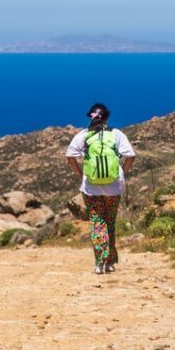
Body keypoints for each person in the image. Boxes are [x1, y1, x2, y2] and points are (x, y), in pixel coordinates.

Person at [65, 103, 135, 274]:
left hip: (91, 188)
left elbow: (70, 156)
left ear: (91, 117)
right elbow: (131, 156)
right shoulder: (116, 134)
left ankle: (99, 263)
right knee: (110, 222)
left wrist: (81, 175)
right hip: (114, 187)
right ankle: (110, 262)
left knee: (97, 223)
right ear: (107, 118)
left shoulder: (84, 135)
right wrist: (122, 173)